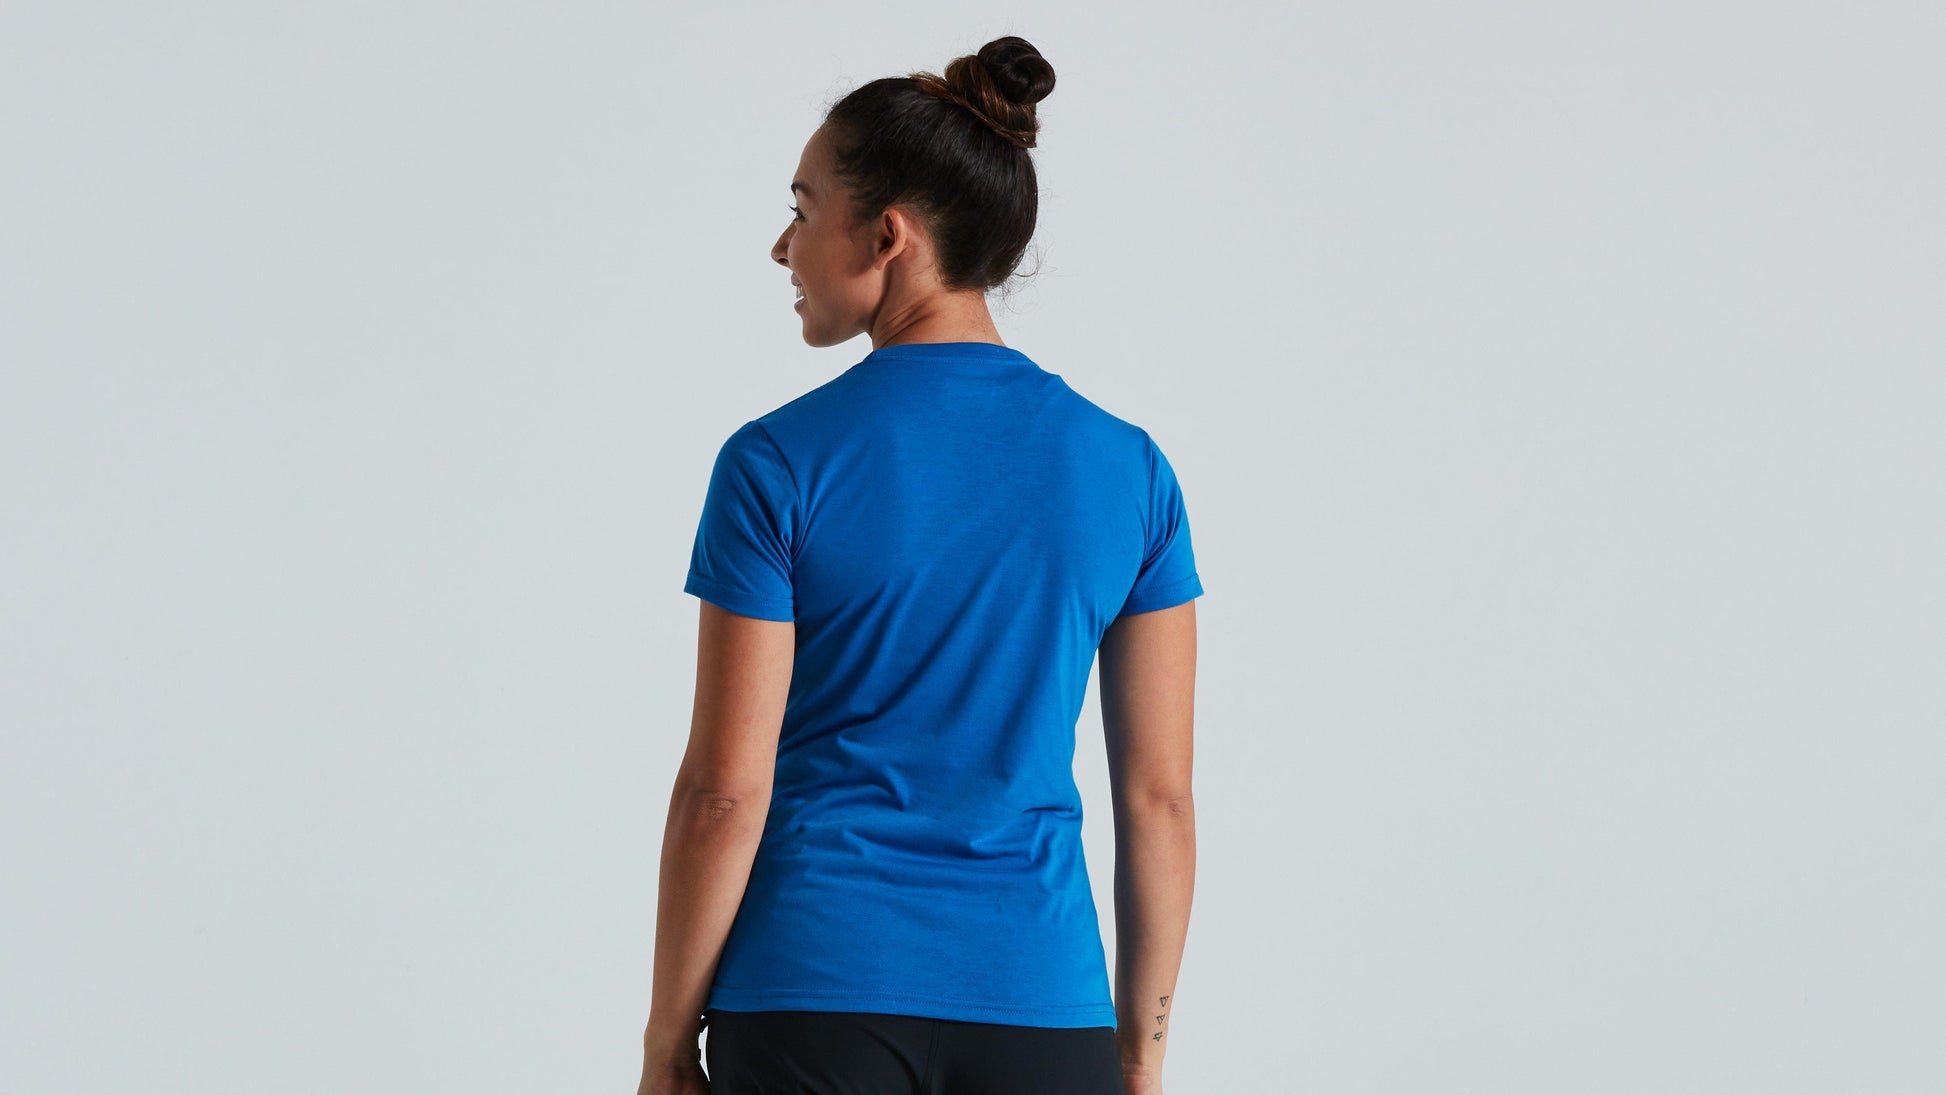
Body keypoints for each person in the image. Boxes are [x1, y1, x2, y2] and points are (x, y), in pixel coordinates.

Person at [637, 35, 1201, 1095]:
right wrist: (1139, 1056)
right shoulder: (1128, 470)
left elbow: (723, 793)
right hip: (1042, 1009)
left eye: (802, 209)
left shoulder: (777, 462)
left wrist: (666, 1044)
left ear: (888, 234)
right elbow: (1158, 800)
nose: (781, 246)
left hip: (813, 996)